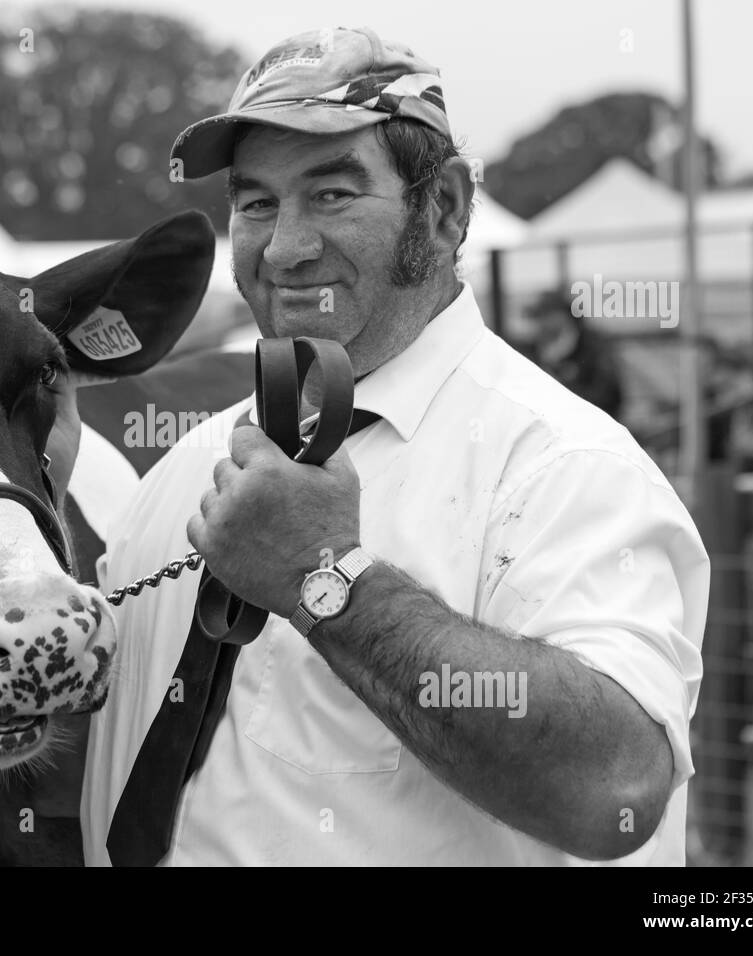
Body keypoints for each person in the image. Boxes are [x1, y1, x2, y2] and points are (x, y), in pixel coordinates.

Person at [80, 26, 708, 865]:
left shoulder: (560, 467)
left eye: (333, 195)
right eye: (257, 202)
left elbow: (614, 792)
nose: (285, 247)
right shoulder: (189, 465)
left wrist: (325, 577)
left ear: (443, 208)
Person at [521, 288, 625, 420]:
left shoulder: (594, 347)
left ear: (564, 316)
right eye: (538, 316)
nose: (541, 323)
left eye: (545, 315)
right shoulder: (534, 350)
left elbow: (608, 396)